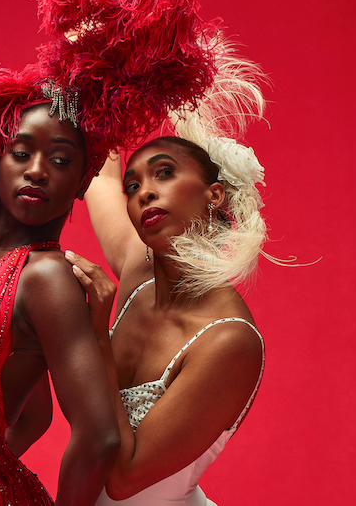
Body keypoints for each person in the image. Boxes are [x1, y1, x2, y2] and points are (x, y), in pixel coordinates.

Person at [0, 0, 223, 505]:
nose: (37, 170)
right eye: (22, 153)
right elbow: (33, 411)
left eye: (60, 161)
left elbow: (102, 436)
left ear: (82, 182)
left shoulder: (45, 277)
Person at [65, 46, 284, 505]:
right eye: (135, 185)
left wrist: (96, 336)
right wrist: (90, 62)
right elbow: (100, 177)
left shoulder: (229, 341)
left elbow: (123, 479)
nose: (144, 192)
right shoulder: (136, 269)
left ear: (214, 195)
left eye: (163, 174)